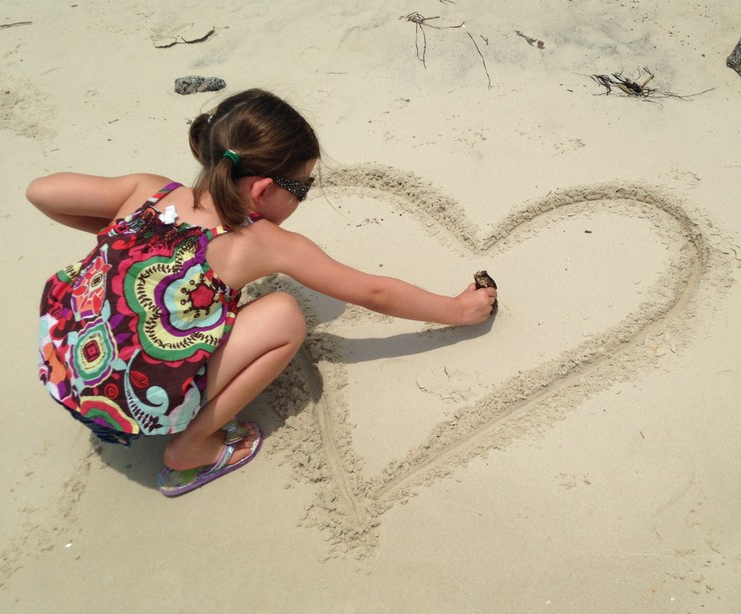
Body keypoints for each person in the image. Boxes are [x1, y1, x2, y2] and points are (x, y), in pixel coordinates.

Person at [28, 88, 497, 497]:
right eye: (303, 187)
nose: (302, 197)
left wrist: (118, 230)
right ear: (266, 188)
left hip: (65, 368)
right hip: (131, 407)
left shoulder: (148, 191)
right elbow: (372, 291)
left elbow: (42, 192)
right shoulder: (262, 242)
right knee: (284, 317)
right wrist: (457, 310)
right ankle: (190, 447)